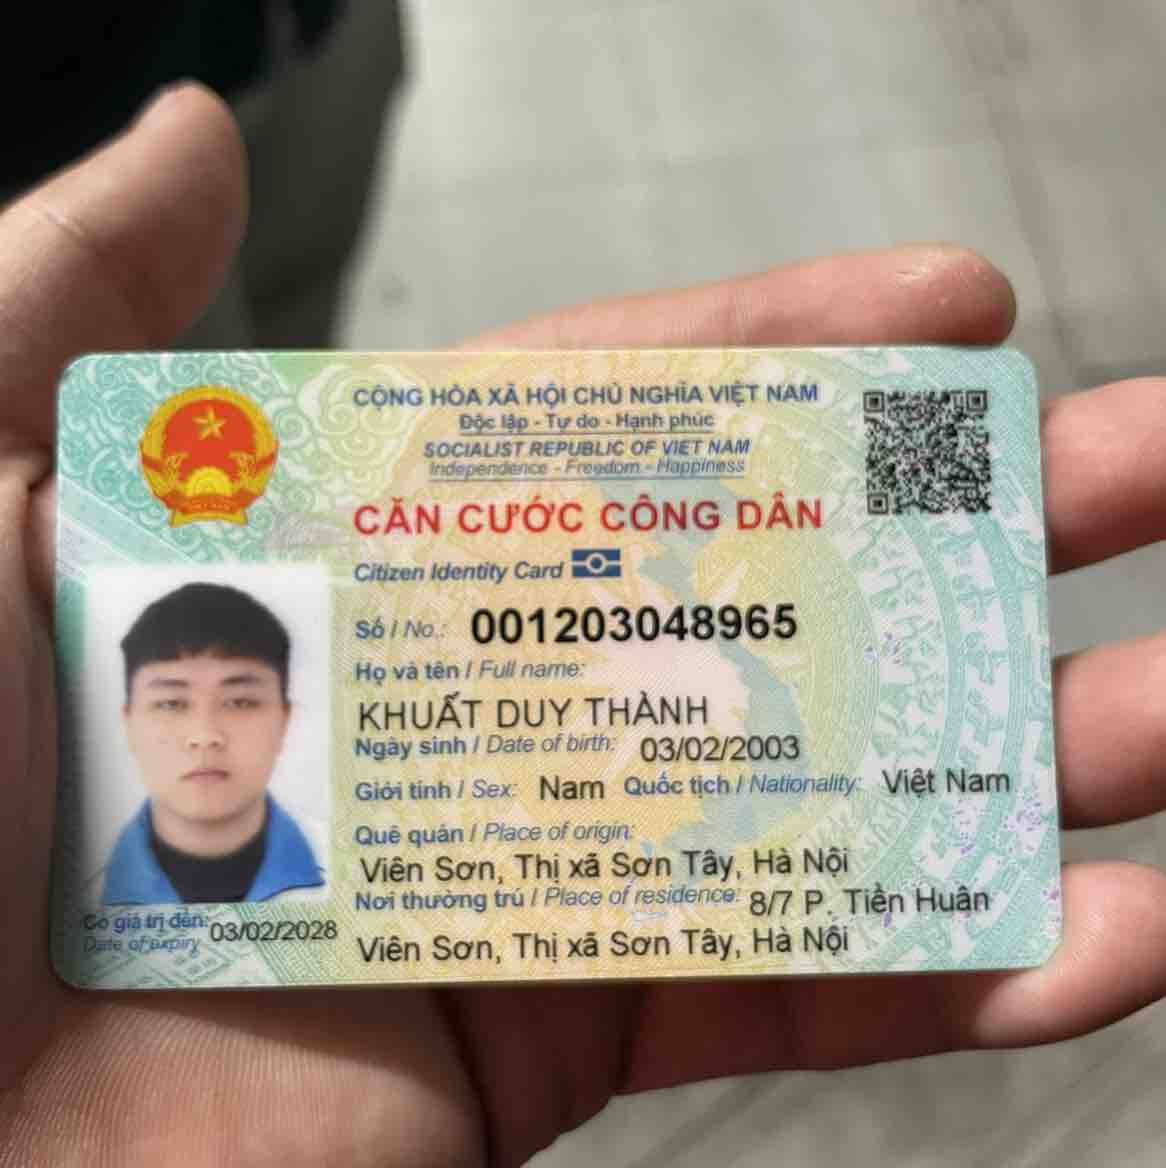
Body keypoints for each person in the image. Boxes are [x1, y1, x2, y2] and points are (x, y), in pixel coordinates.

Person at [1, 84, 1164, 1165]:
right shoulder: (154, 887)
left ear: (289, 709)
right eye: (172, 698)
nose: (206, 730)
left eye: (239, 694)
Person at [101, 582, 323, 905]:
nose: (205, 735)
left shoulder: (358, 874)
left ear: (284, 720)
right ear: (129, 723)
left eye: (240, 702)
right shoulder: (69, 888)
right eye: (171, 704)